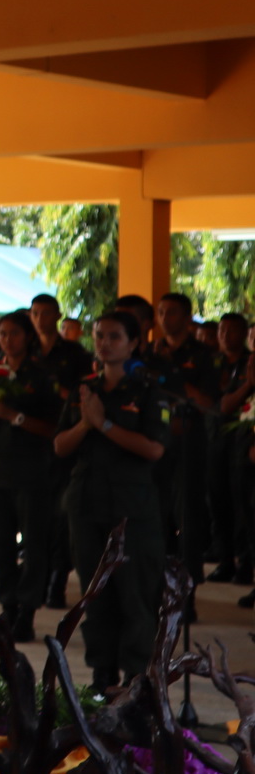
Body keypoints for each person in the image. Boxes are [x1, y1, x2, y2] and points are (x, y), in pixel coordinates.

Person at [54, 310, 170, 691]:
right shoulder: (85, 390)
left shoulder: (149, 391)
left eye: (114, 336)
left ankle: (136, 679)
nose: (104, 343)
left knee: (135, 594)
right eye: (99, 335)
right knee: (94, 593)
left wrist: (104, 424)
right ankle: (101, 675)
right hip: (87, 503)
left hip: (132, 507)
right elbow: (60, 445)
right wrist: (86, 422)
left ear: (133, 343)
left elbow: (153, 449)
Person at [0, 310, 63, 642]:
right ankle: (8, 609)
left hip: (31, 472)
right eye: (2, 334)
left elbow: (54, 428)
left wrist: (14, 415)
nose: (6, 340)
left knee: (34, 546)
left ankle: (26, 613)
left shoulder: (41, 376)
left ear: (27, 337)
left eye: (13, 333)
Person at [149, 291, 223, 585]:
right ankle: (157, 580)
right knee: (156, 512)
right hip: (155, 440)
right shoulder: (149, 354)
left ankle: (188, 583)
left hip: (190, 440)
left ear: (187, 317)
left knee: (188, 515)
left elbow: (208, 403)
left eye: (172, 312)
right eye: (161, 312)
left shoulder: (204, 355)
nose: (165, 319)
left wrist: (173, 371)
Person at [30, 291, 92, 609]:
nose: (40, 319)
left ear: (57, 315)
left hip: (63, 439)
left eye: (46, 312)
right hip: (29, 439)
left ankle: (57, 579)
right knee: (34, 517)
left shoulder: (74, 354)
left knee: (60, 516)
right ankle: (36, 580)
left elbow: (86, 393)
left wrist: (57, 390)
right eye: (35, 313)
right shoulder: (26, 349)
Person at [209, 313, 255, 586]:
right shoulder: (211, 362)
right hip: (215, 440)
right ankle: (225, 560)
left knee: (242, 507)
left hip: (241, 443)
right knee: (218, 503)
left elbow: (228, 406)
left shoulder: (248, 363)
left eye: (232, 330)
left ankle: (245, 564)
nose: (225, 336)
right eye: (221, 330)